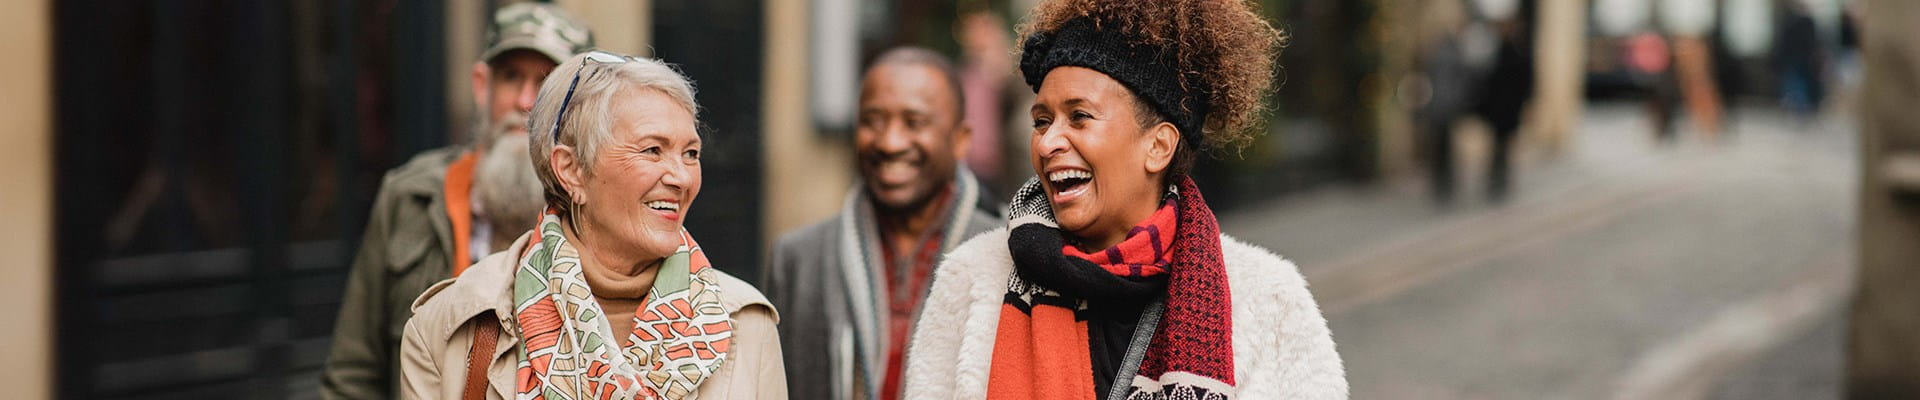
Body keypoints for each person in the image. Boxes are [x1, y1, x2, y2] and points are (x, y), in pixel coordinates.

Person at [902, 0, 1348, 398]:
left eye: (1079, 117)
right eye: (1042, 120)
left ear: (1158, 147)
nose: (1047, 142)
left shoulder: (1267, 302)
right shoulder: (972, 282)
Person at [399, 50, 785, 399]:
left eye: (691, 153)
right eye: (653, 150)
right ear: (571, 170)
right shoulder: (452, 327)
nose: (682, 178)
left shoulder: (745, 324)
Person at [320, 4, 593, 399]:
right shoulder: (410, 195)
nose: (526, 101)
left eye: (548, 84)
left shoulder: (597, 215)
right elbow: (351, 374)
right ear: (483, 85)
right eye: (511, 77)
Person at [761, 47, 1002, 400]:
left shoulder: (1002, 255)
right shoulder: (798, 258)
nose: (890, 142)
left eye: (914, 122)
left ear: (960, 140)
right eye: (873, 120)